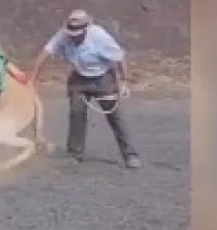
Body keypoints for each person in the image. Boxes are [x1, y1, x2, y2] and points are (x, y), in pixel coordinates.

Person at [30, 9, 141, 168]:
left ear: (86, 29)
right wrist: (32, 78)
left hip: (103, 78)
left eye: (78, 35)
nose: (74, 38)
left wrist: (123, 82)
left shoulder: (100, 37)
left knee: (114, 116)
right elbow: (45, 53)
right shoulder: (62, 35)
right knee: (76, 113)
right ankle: (75, 153)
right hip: (79, 77)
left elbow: (120, 57)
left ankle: (130, 155)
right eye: (71, 34)